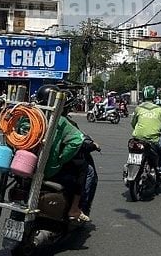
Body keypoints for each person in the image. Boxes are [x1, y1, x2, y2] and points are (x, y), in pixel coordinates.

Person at [34, 85, 99, 223]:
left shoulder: (31, 118)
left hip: (28, 166)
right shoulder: (62, 121)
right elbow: (76, 141)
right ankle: (75, 208)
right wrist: (62, 159)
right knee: (86, 170)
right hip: (49, 168)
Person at [131, 85, 161, 180]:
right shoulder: (159, 110)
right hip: (153, 140)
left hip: (137, 138)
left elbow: (133, 123)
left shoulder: (138, 108)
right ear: (154, 96)